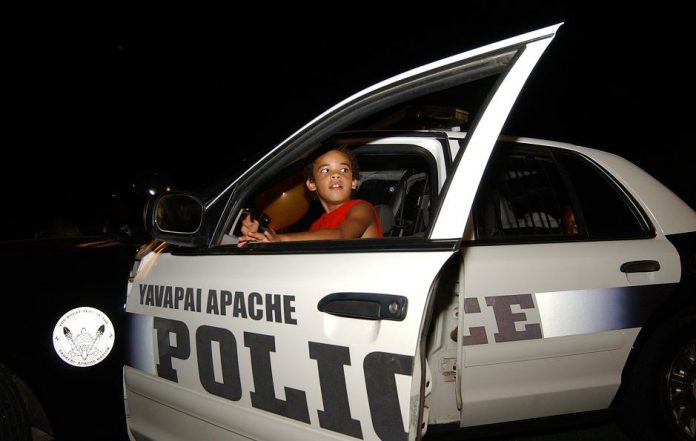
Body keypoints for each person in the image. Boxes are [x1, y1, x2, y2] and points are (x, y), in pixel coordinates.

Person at [238, 147, 383, 246]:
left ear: (353, 182)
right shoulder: (316, 227)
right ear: (312, 184)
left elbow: (341, 235)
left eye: (344, 169)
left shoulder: (362, 208)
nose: (336, 174)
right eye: (325, 170)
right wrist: (264, 235)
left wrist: (280, 239)